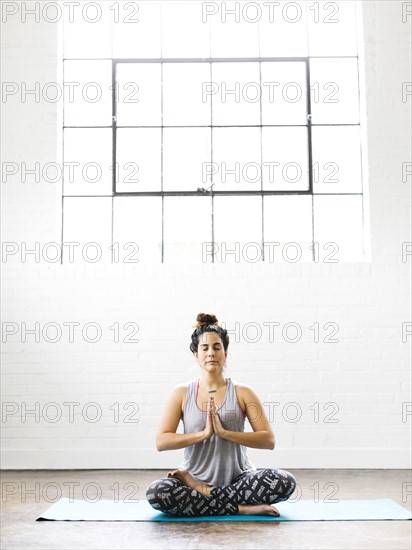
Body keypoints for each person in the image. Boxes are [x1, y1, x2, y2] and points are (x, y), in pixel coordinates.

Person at [146, 313, 297, 517]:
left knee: (285, 481)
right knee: (158, 493)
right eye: (205, 348)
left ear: (225, 353)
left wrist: (224, 433)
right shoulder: (181, 393)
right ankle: (238, 508)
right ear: (196, 354)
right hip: (192, 478)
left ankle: (205, 495)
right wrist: (203, 434)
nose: (211, 353)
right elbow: (162, 441)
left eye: (217, 347)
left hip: (239, 480)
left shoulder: (244, 392)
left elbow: (268, 440)